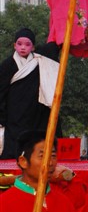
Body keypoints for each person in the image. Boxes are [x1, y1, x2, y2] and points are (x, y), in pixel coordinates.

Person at [0, 28, 60, 158]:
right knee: (13, 150)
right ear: (14, 45)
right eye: (19, 44)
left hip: (35, 114)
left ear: (33, 47)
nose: (23, 48)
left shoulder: (40, 62)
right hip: (14, 116)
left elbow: (54, 47)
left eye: (27, 44)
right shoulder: (7, 65)